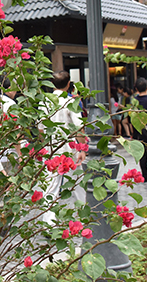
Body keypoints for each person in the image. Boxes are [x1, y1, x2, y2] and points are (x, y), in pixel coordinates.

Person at [40, 71, 87, 224]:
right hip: (69, 149)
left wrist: (45, 145)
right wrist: (82, 148)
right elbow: (78, 127)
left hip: (51, 149)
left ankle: (48, 222)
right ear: (68, 84)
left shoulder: (44, 102)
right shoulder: (70, 102)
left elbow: (40, 129)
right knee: (78, 183)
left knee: (51, 186)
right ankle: (83, 216)